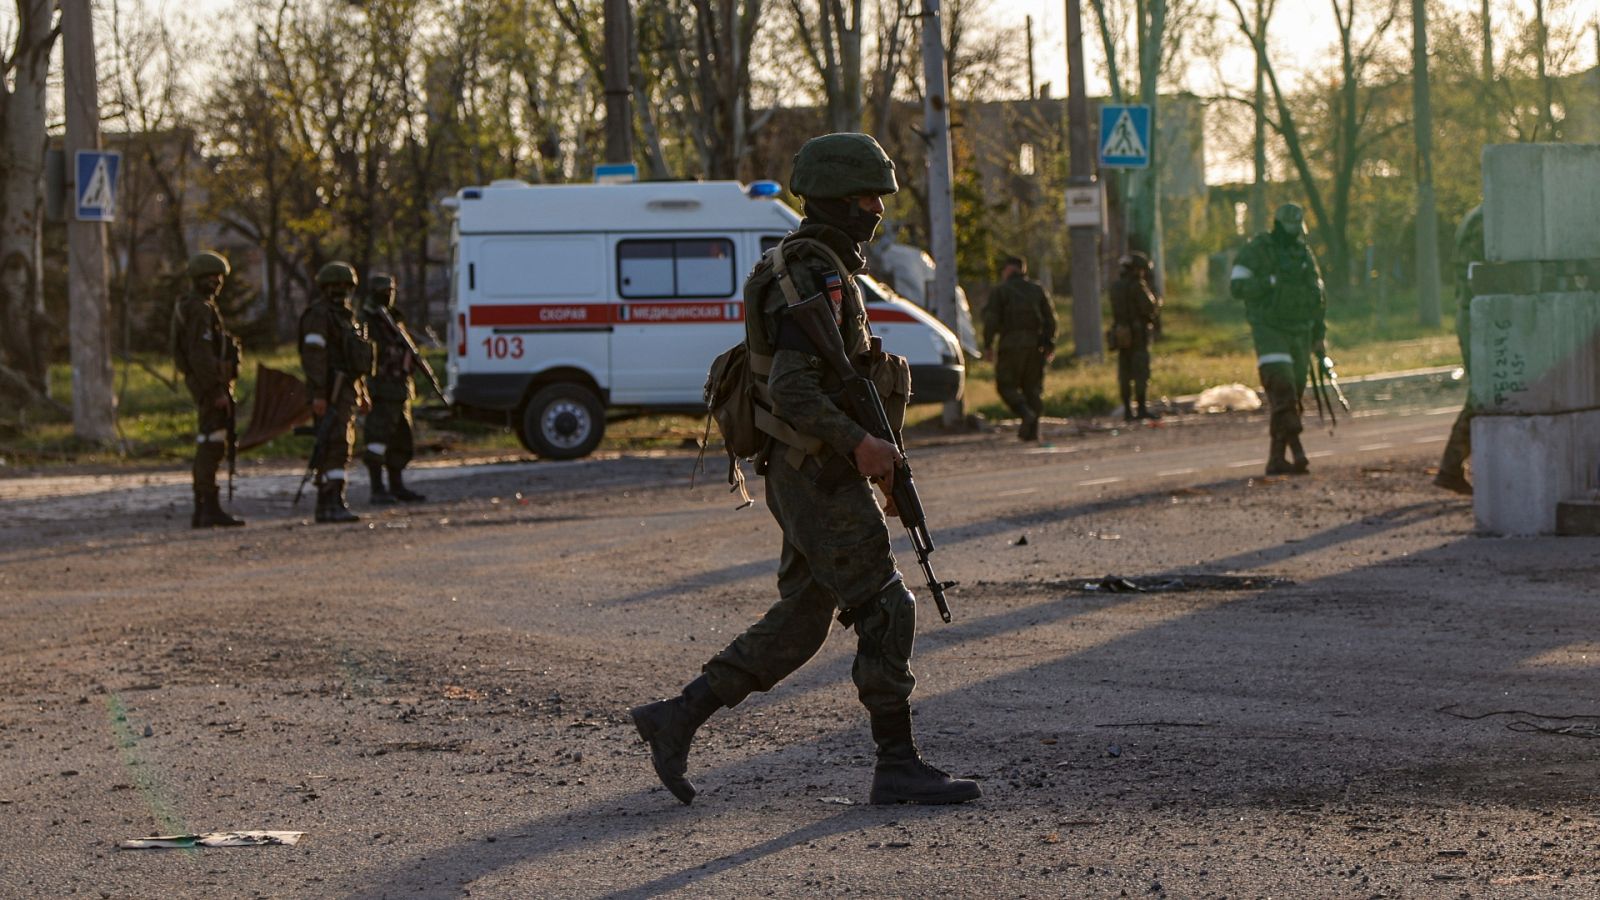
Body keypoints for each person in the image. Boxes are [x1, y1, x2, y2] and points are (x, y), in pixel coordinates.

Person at [628, 133, 980, 808]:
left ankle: (676, 718)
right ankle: (896, 764)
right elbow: (793, 387)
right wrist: (859, 446)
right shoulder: (811, 273)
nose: (876, 210)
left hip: (807, 469)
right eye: (866, 198)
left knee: (802, 619)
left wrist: (872, 461)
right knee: (886, 605)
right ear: (836, 201)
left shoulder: (812, 267)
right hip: (814, 470)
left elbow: (832, 381)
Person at [1230, 202, 1327, 475]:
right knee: (1282, 389)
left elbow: (1318, 296)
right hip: (1269, 329)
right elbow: (1237, 286)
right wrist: (1267, 284)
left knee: (1292, 396)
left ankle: (1277, 458)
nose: (1295, 232)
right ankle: (1297, 452)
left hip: (1300, 331)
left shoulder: (1303, 254)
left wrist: (1319, 335)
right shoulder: (1257, 251)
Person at [172, 251, 245, 528]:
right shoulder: (199, 309)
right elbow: (200, 355)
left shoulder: (196, 306)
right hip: (208, 386)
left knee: (211, 441)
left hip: (207, 384)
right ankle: (207, 509)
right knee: (212, 443)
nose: (216, 282)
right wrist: (216, 391)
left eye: (219, 278)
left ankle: (206, 508)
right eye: (211, 277)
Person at [298, 261, 374, 523]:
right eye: (335, 286)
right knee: (332, 442)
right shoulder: (318, 316)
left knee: (342, 443)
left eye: (345, 286)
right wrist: (319, 393)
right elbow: (313, 357)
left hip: (346, 390)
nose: (340, 291)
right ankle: (328, 502)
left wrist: (362, 391)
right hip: (329, 389)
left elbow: (353, 358)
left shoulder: (347, 316)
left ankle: (335, 501)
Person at [360, 274, 425, 505]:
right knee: (377, 439)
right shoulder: (367, 319)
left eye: (391, 290)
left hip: (399, 390)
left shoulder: (393, 319)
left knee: (401, 440)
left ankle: (397, 486)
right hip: (380, 390)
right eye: (384, 290)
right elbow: (367, 355)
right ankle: (378, 489)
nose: (389, 294)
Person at [1435, 205, 1483, 495]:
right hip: (1479, 313)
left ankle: (1452, 466)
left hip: (1479, 312)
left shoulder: (1482, 216)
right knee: (1485, 393)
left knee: (1486, 393)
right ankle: (1451, 465)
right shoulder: (1485, 220)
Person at [982, 256, 1056, 440]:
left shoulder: (1001, 291)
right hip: (1034, 347)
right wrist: (1049, 343)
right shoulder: (1037, 289)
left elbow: (991, 320)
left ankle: (1025, 414)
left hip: (1010, 346)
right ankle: (1032, 432)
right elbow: (1051, 320)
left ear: (1008, 270)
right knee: (1033, 389)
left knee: (1005, 385)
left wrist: (988, 345)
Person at [1109, 251, 1162, 421]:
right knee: (1140, 373)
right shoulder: (1138, 286)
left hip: (1121, 333)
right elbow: (1149, 307)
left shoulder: (1116, 287)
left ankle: (1127, 411)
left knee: (1124, 373)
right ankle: (1141, 409)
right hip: (1138, 335)